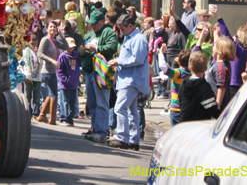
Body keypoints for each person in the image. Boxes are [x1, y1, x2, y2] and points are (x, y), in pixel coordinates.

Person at [107, 14, 149, 150]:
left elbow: (138, 59)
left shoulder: (138, 39)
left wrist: (119, 61)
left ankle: (122, 137)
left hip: (132, 80)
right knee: (131, 111)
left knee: (120, 108)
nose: (121, 32)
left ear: (131, 26)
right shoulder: (129, 37)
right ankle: (133, 139)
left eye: (123, 29)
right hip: (126, 79)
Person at [81, 10, 119, 143]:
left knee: (102, 102)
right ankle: (95, 128)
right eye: (91, 23)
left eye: (96, 23)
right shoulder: (90, 34)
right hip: (90, 71)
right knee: (92, 103)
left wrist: (96, 49)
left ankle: (102, 132)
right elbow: (84, 50)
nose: (93, 26)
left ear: (103, 21)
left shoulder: (108, 32)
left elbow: (113, 46)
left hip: (102, 72)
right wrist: (82, 51)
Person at [178, 52, 220, 122]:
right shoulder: (204, 86)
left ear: (189, 68)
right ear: (206, 68)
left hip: (184, 123)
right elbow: (211, 108)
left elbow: (181, 103)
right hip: (200, 124)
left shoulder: (183, 84)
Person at [35, 20, 61, 125]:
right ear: (46, 28)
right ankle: (52, 119)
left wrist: (61, 34)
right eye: (50, 27)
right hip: (47, 70)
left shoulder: (54, 41)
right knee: (53, 94)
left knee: (51, 93)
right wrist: (52, 60)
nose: (52, 29)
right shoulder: (45, 39)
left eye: (54, 27)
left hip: (52, 70)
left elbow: (66, 47)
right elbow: (39, 54)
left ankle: (42, 115)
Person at [159, 48, 191, 127]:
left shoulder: (178, 73)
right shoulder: (192, 73)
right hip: (187, 109)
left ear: (179, 61)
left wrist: (160, 53)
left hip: (176, 108)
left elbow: (162, 66)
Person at [56, 37, 80, 127]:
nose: (71, 49)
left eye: (72, 47)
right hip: (65, 84)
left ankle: (70, 118)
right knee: (64, 101)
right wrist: (64, 80)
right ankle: (63, 117)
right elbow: (60, 70)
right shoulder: (62, 56)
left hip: (74, 84)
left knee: (73, 103)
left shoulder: (76, 55)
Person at [207, 36, 235, 112]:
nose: (212, 48)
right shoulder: (219, 64)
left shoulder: (221, 66)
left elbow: (221, 87)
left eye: (214, 46)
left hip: (218, 106)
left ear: (220, 50)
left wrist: (218, 105)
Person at [21, 34, 42, 117]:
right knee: (27, 96)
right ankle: (28, 112)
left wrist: (38, 54)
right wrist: (24, 75)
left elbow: (41, 63)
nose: (34, 46)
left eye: (35, 44)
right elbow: (21, 64)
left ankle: (36, 113)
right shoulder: (24, 51)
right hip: (28, 76)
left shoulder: (38, 52)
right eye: (32, 44)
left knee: (37, 97)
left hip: (37, 77)